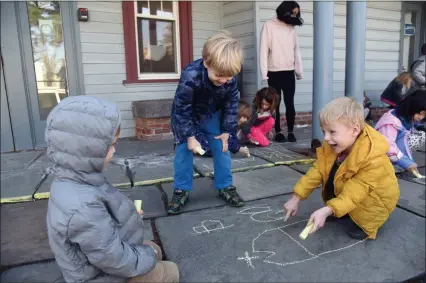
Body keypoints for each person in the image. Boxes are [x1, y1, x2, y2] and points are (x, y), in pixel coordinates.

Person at [45, 96, 179, 283]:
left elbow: (100, 227)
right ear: (86, 150)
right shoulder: (82, 207)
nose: (115, 151)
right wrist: (147, 255)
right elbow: (115, 260)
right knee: (170, 271)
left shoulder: (74, 179)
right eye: (110, 146)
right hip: (100, 275)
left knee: (154, 250)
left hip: (101, 257)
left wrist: (130, 216)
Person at [283, 97, 400, 240]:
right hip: (355, 191)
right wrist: (296, 197)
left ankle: (366, 223)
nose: (326, 138)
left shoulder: (373, 156)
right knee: (330, 172)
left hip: (376, 200)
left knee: (365, 218)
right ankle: (340, 209)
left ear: (355, 129)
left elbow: (355, 192)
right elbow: (318, 171)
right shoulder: (333, 144)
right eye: (324, 131)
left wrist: (327, 210)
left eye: (332, 131)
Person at [168, 31, 245, 215]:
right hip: (187, 116)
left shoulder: (229, 79)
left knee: (221, 146)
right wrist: (189, 136)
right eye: (219, 75)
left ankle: (225, 185)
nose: (224, 80)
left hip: (211, 114)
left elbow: (231, 104)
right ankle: (181, 189)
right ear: (206, 63)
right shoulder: (191, 75)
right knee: (184, 150)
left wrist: (227, 131)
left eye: (228, 77)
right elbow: (182, 107)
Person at [260, 0, 304, 143]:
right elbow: (263, 51)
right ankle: (278, 132)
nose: (294, 16)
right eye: (293, 12)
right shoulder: (269, 26)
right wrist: (264, 73)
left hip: (289, 71)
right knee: (275, 104)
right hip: (273, 71)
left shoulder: (291, 27)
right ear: (285, 10)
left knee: (290, 103)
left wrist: (299, 71)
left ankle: (291, 131)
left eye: (296, 14)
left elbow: (296, 50)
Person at [375, 89, 426, 174]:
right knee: (415, 137)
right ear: (412, 107)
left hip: (392, 149)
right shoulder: (391, 122)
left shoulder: (405, 115)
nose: (421, 117)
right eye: (420, 114)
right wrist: (406, 163)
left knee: (420, 135)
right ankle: (392, 163)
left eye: (424, 115)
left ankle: (397, 161)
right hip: (381, 153)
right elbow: (387, 146)